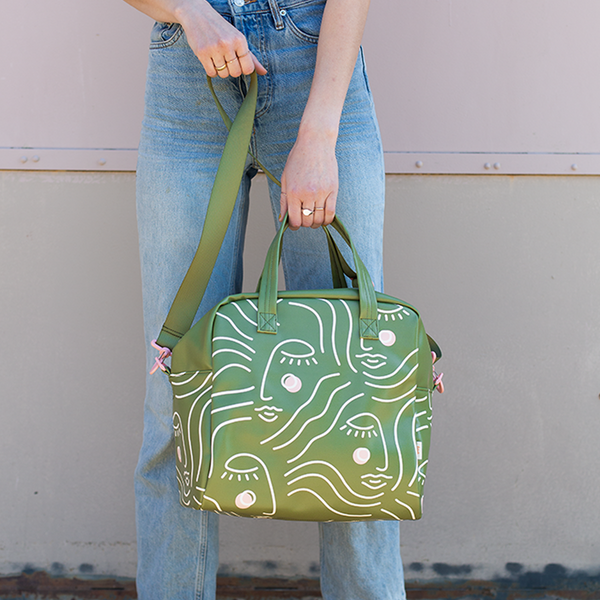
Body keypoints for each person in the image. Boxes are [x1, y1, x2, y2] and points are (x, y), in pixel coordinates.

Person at [124, 0, 407, 597]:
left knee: (356, 397)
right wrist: (186, 11)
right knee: (175, 399)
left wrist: (319, 132)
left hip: (317, 62)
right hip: (189, 73)